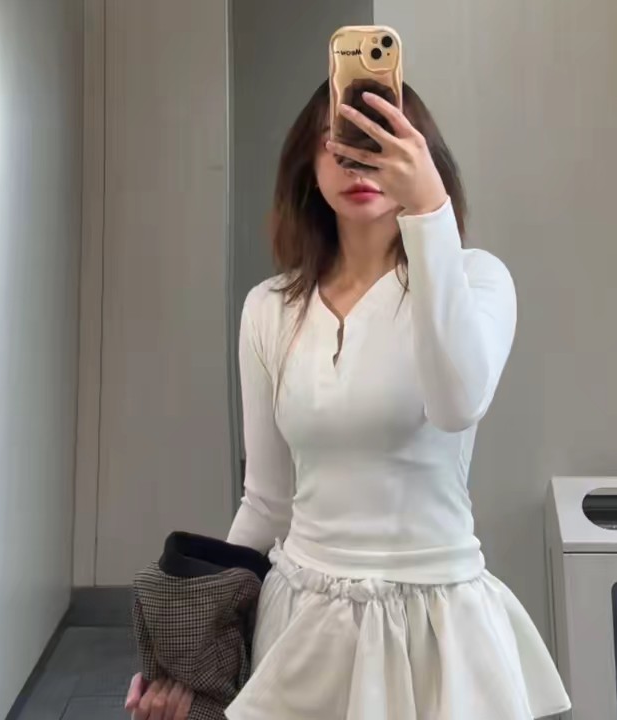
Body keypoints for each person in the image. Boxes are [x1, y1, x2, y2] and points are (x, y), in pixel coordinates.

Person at [126, 80, 571, 720]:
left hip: (437, 629)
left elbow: (457, 403)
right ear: (308, 164)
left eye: (379, 142)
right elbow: (266, 502)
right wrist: (193, 657)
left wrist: (430, 209)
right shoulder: (269, 308)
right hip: (302, 623)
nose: (360, 165)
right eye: (340, 145)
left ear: (420, 153)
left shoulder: (477, 279)